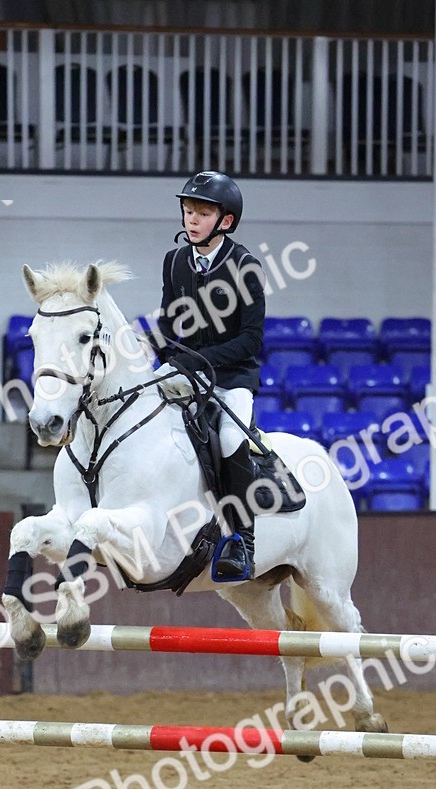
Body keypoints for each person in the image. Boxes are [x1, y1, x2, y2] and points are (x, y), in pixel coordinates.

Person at [154, 170, 266, 580]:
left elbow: (252, 340)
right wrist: (158, 349)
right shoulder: (174, 261)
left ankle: (241, 540)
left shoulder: (245, 267)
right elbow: (168, 323)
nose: (192, 220)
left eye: (202, 212)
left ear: (226, 221)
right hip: (189, 371)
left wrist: (200, 362)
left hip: (233, 376)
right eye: (188, 211)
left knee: (233, 437)